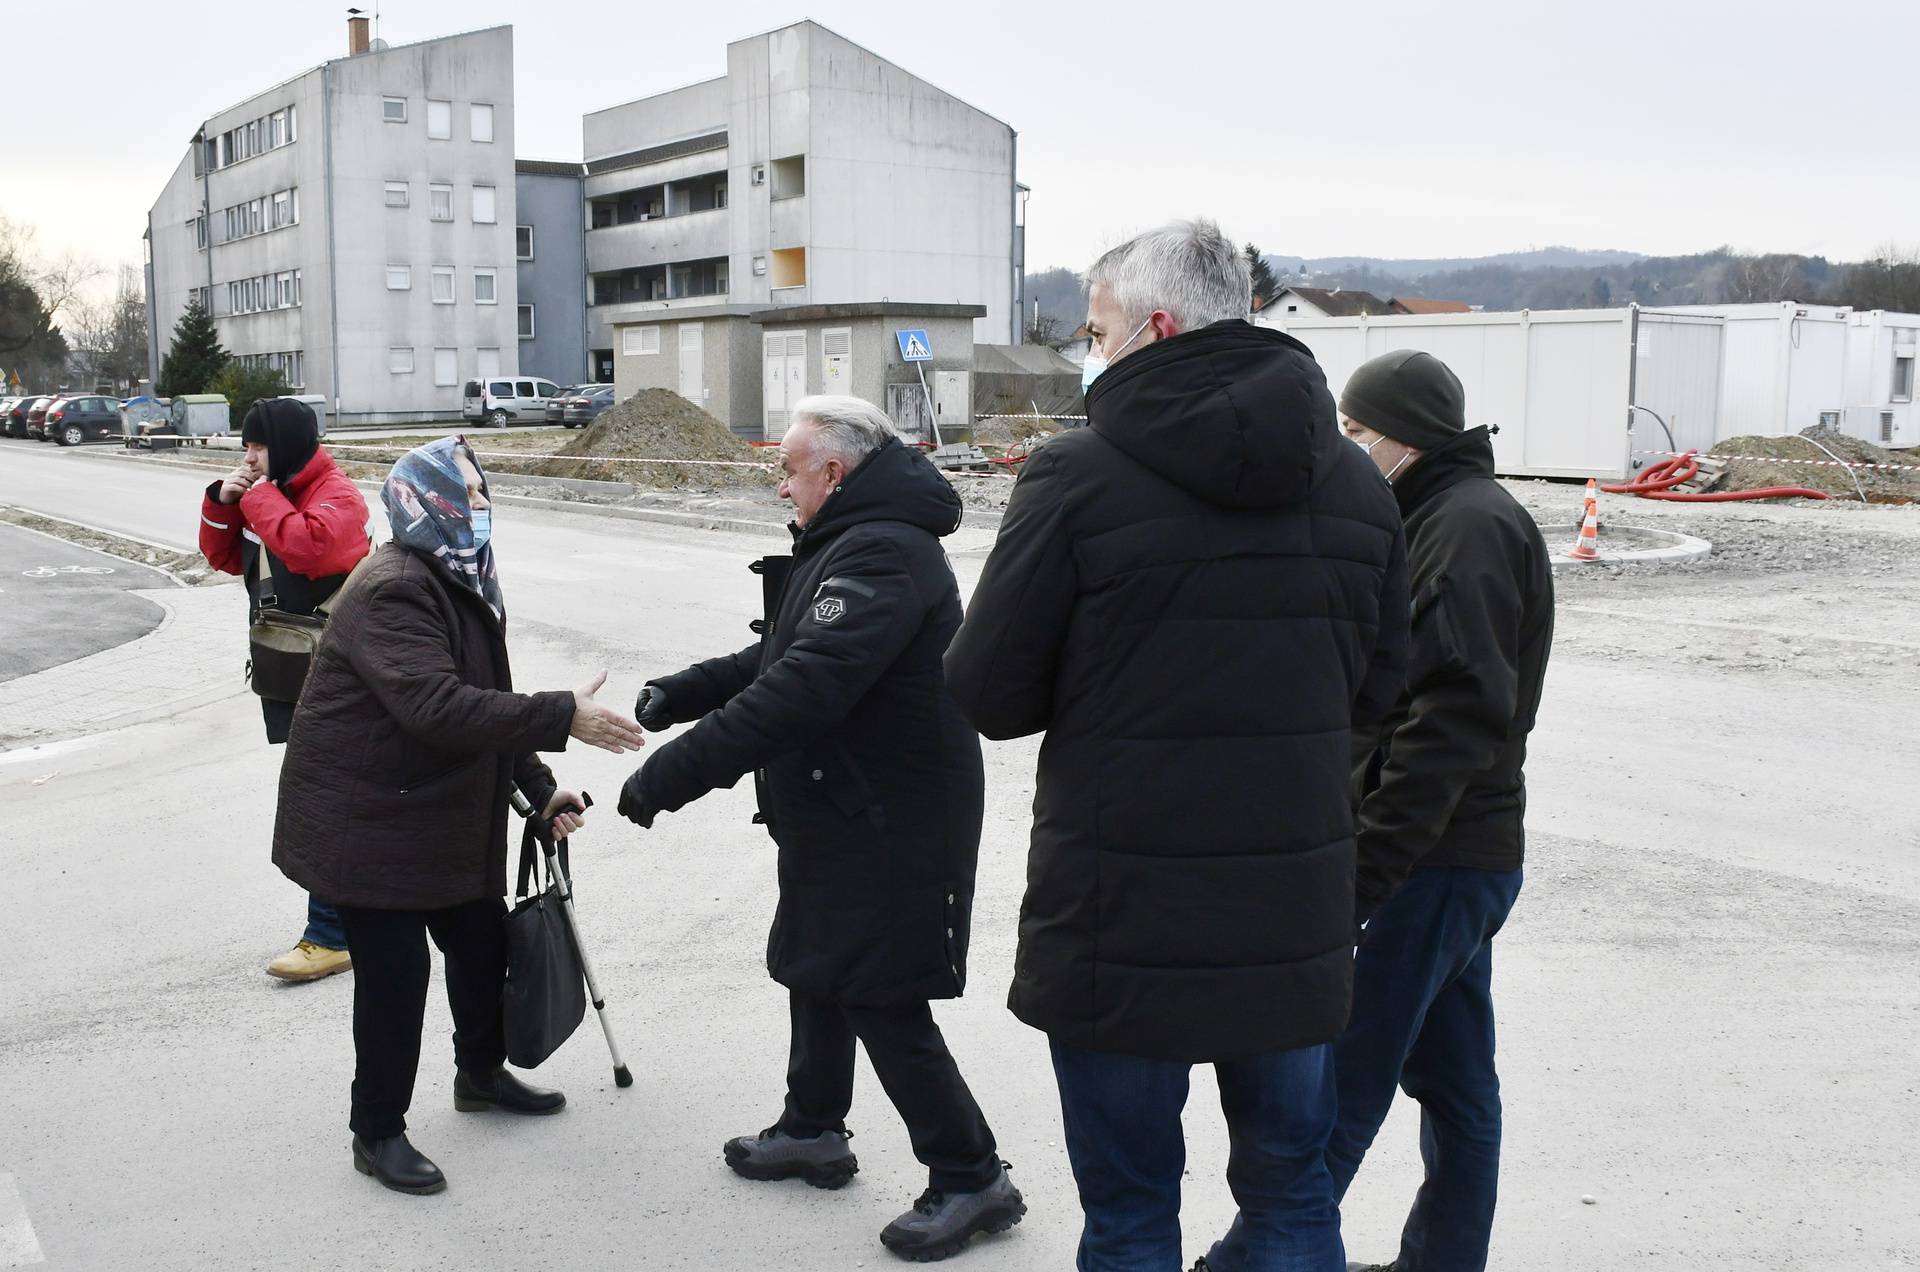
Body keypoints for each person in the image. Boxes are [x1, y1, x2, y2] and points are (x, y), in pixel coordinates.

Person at [944, 219, 1411, 1272]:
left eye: (1099, 330)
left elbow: (988, 692)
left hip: (1121, 917)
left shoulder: (1076, 476)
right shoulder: (1353, 483)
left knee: (1130, 1216)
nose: (1091, 352)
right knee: (1293, 1197)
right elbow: (1382, 689)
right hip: (1291, 912)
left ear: (1156, 327)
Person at [615, 396, 1023, 1263]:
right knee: (816, 965)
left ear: (834, 474)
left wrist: (671, 774)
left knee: (879, 990)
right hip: (842, 807)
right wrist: (686, 689)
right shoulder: (851, 539)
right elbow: (782, 652)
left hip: (892, 818)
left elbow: (804, 687)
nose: (779, 487)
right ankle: (813, 1129)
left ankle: (972, 1176)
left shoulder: (885, 550)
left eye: (788, 471)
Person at [270, 437, 648, 1195]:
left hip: (433, 816)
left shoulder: (459, 577)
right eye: (472, 492)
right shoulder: (394, 588)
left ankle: (479, 1076)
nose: (484, 504)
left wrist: (540, 792)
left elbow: (481, 704)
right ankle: (375, 1132)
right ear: (431, 500)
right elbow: (436, 708)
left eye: (482, 491)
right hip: (369, 825)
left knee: (479, 945)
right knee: (395, 979)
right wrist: (562, 715)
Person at [1325, 351, 1555, 1272]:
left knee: (1341, 1087)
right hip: (1463, 857)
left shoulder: (1463, 530)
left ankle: (1261, 1255)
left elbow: (1450, 720)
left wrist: (1368, 870)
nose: (1345, 447)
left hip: (1434, 861)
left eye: (1355, 432)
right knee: (1458, 1087)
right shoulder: (1439, 515)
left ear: (1400, 438)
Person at [198, 398, 369, 983]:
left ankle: (330, 935)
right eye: (245, 447)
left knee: (327, 799)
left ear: (288, 446)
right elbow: (222, 557)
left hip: (344, 678)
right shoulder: (271, 492)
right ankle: (364, 916)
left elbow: (311, 548)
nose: (247, 458)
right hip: (293, 675)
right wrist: (223, 503)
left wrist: (255, 496)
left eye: (256, 446)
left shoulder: (337, 494)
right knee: (339, 797)